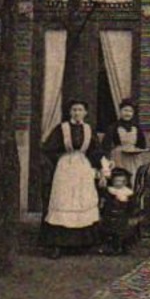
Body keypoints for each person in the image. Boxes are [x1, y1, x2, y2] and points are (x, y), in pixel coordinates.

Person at [41, 99, 107, 258]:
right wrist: (60, 159)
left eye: (80, 110)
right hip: (65, 168)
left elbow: (96, 151)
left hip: (83, 168)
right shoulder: (61, 129)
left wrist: (103, 169)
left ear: (85, 112)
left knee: (82, 199)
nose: (77, 113)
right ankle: (57, 244)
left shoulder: (88, 129)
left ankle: (83, 243)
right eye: (74, 110)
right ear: (70, 112)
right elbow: (48, 149)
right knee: (64, 200)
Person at [103, 99, 148, 179]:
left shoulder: (136, 127)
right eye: (125, 110)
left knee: (134, 178)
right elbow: (106, 144)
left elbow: (142, 144)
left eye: (130, 111)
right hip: (119, 157)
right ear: (120, 111)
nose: (127, 113)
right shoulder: (113, 127)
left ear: (133, 113)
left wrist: (138, 150)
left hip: (133, 158)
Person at [99, 166, 135, 255]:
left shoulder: (128, 192)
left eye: (121, 182)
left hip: (122, 215)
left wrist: (131, 213)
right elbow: (105, 201)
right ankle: (110, 246)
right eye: (116, 181)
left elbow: (131, 206)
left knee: (122, 231)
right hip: (110, 214)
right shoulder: (110, 191)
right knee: (108, 231)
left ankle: (122, 246)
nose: (118, 184)